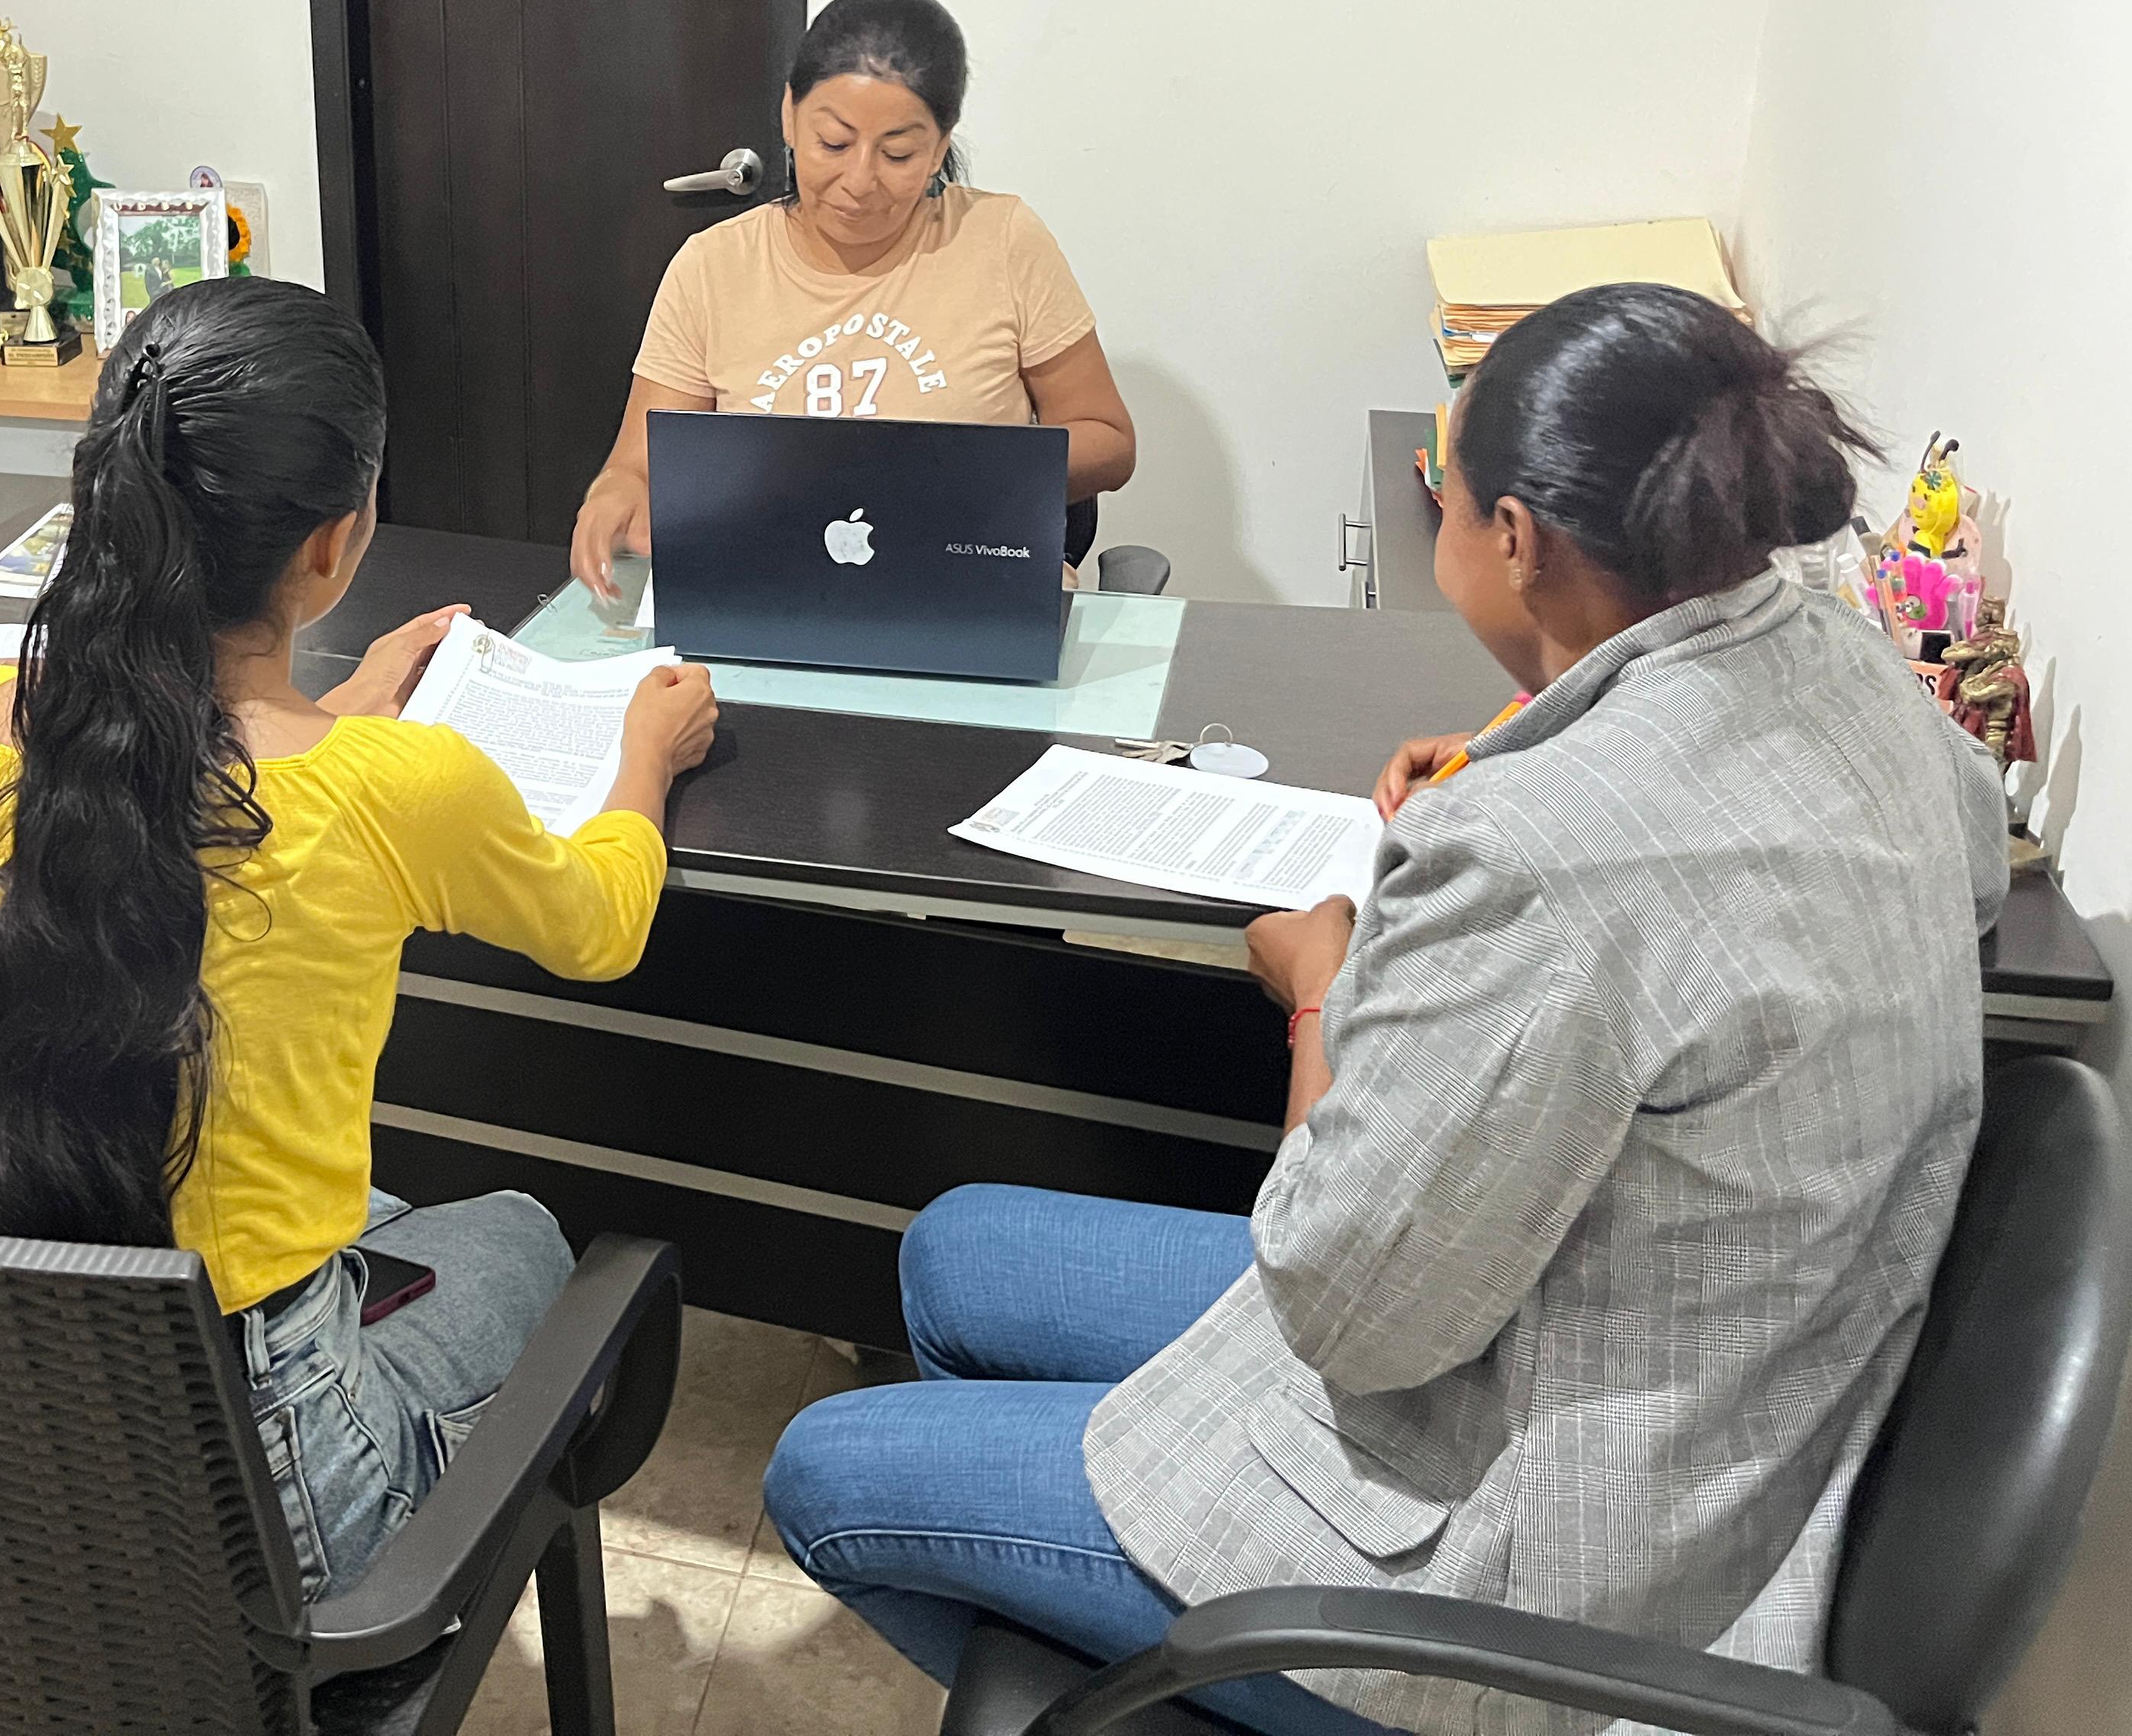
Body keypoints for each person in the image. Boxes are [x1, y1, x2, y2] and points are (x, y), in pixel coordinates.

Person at [762, 284, 2006, 1736]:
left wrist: (1318, 989)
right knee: (955, 1251)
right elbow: (1945, 862)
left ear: (1516, 538)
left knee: (826, 1473)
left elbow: (1344, 1312)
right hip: (1669, 1367)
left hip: (1542, 1562)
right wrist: (1539, 746)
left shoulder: (1536, 855)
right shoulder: (1852, 668)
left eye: (1442, 491)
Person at [0, 276, 721, 1599]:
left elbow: (171, 795)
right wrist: (648, 755)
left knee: (371, 1216)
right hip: (266, 1492)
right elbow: (601, 924)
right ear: (335, 542)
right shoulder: (389, 790)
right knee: (518, 1230)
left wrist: (337, 710)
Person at [569, 0, 1137, 596]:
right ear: (789, 115)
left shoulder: (1001, 241)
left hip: (968, 586)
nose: (859, 181)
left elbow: (1108, 441)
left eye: (898, 154)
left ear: (939, 148)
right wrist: (614, 496)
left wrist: (955, 471)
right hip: (767, 588)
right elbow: (638, 466)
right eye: (833, 144)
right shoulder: (713, 267)